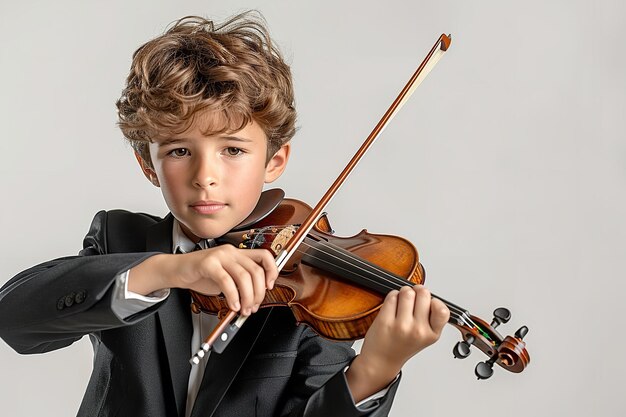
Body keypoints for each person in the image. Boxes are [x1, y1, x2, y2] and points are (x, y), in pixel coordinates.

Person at [0, 11, 449, 417]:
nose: (205, 177)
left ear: (274, 161)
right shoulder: (121, 238)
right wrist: (171, 270)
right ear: (148, 165)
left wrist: (375, 370)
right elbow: (16, 320)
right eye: (179, 151)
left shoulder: (311, 298)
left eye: (233, 150)